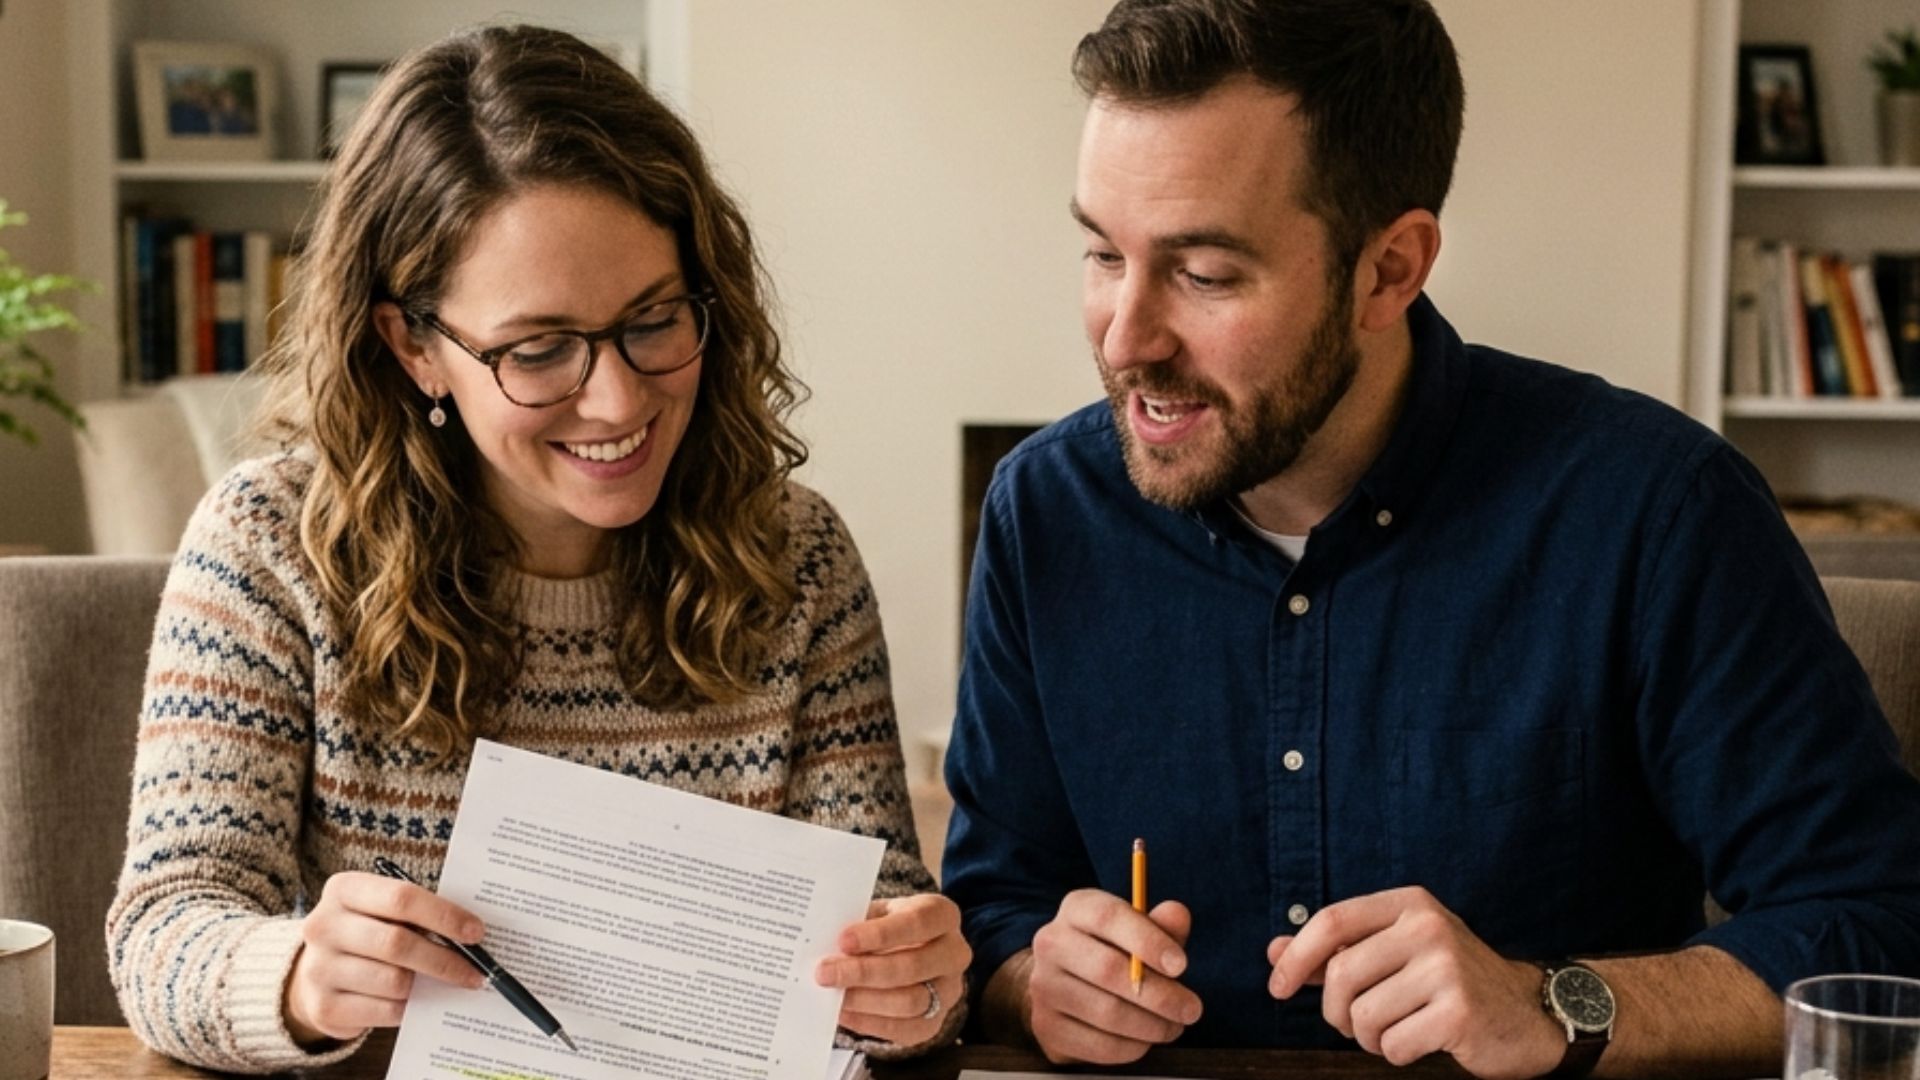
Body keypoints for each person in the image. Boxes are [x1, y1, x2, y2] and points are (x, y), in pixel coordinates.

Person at [940, 2, 1920, 1077]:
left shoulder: (1656, 510)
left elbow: (1877, 925)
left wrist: (1558, 1005)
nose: (1125, 337)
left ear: (1390, 269)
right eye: (1100, 253)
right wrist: (1034, 981)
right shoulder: (1044, 510)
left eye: (1205, 274)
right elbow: (994, 901)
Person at [106, 25, 967, 1073]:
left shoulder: (796, 556)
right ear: (414, 346)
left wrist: (916, 985)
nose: (617, 398)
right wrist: (293, 975)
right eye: (537, 349)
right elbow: (164, 930)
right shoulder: (270, 549)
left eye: (654, 319)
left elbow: (887, 929)